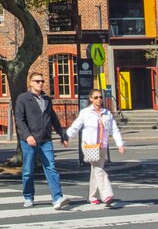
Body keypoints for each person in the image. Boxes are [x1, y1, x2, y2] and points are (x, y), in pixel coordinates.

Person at [14, 71, 69, 210]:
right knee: (27, 170)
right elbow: (19, 119)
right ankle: (28, 196)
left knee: (51, 168)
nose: (40, 83)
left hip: (45, 139)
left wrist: (62, 134)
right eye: (37, 81)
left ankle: (57, 198)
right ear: (31, 83)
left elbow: (53, 118)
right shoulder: (23, 98)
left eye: (42, 81)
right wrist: (27, 136)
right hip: (29, 141)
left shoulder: (46, 99)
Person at [66, 89, 125, 208]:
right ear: (91, 99)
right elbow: (76, 126)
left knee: (96, 170)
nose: (99, 99)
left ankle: (92, 196)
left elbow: (114, 129)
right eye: (96, 97)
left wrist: (119, 144)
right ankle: (107, 194)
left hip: (102, 146)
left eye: (100, 97)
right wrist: (66, 137)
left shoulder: (107, 113)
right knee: (98, 169)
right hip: (89, 145)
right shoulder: (85, 112)